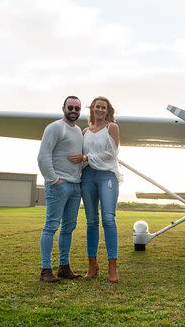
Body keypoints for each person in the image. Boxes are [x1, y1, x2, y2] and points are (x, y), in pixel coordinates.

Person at [69, 96, 122, 283]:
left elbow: (111, 154)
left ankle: (112, 267)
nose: (100, 109)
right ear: (92, 109)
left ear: (107, 110)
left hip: (106, 175)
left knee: (108, 218)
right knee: (91, 221)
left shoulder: (112, 128)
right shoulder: (85, 131)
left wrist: (85, 157)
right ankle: (92, 265)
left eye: (103, 107)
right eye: (97, 107)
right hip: (88, 176)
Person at [37, 95, 85, 283]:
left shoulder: (79, 130)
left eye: (77, 109)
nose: (73, 111)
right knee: (51, 226)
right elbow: (43, 156)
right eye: (70, 107)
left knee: (69, 227)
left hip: (75, 186)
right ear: (63, 108)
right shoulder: (55, 127)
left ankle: (64, 267)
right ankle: (45, 270)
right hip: (59, 185)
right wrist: (54, 179)